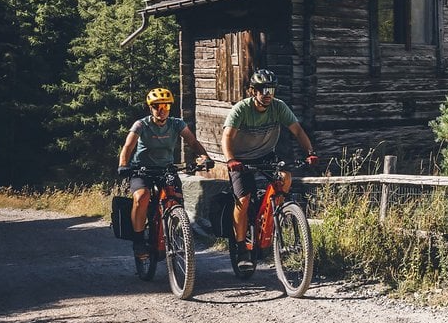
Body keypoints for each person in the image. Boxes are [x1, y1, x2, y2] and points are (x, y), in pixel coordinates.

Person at [221, 69, 318, 269]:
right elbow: (227, 137)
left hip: (266, 155)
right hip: (241, 159)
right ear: (252, 91)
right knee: (243, 199)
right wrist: (231, 160)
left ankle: (274, 218)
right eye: (263, 89)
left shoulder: (278, 107)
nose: (267, 94)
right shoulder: (241, 109)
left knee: (285, 177)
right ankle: (241, 248)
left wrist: (310, 152)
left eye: (271, 89)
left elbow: (297, 130)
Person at [118, 87, 213, 262]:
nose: (161, 111)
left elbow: (192, 141)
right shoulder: (141, 125)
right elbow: (128, 146)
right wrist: (123, 164)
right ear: (150, 108)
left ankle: (173, 233)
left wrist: (204, 157)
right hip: (142, 170)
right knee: (141, 197)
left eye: (165, 107)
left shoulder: (177, 124)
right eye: (157, 107)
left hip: (166, 169)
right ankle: (139, 241)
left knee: (175, 199)